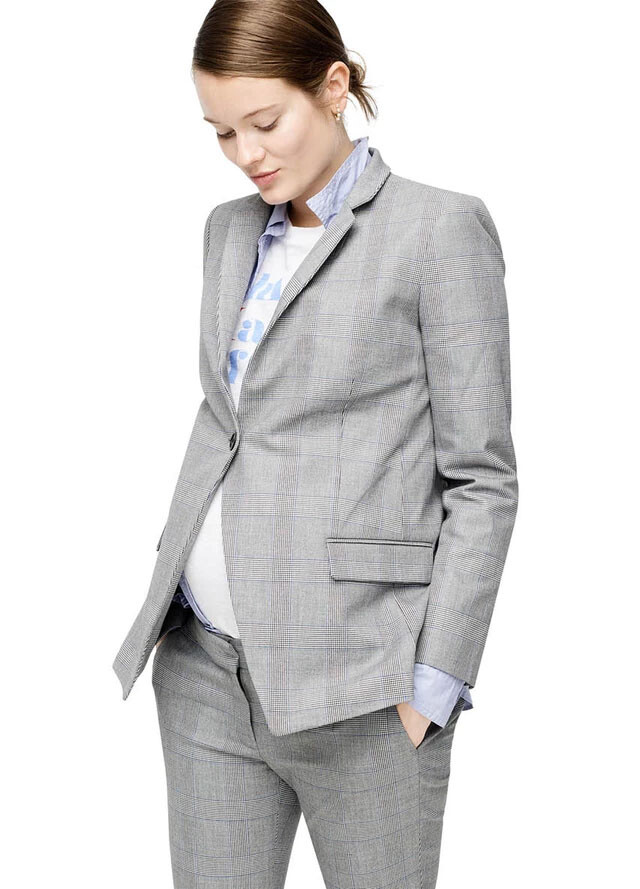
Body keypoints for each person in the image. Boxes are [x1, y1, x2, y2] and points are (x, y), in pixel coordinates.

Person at [112, 2, 518, 886]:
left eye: (265, 122)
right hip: (206, 669)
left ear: (333, 87)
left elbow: (482, 478)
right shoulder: (227, 230)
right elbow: (229, 419)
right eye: (223, 132)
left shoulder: (438, 230)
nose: (246, 153)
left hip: (364, 687)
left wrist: (435, 682)